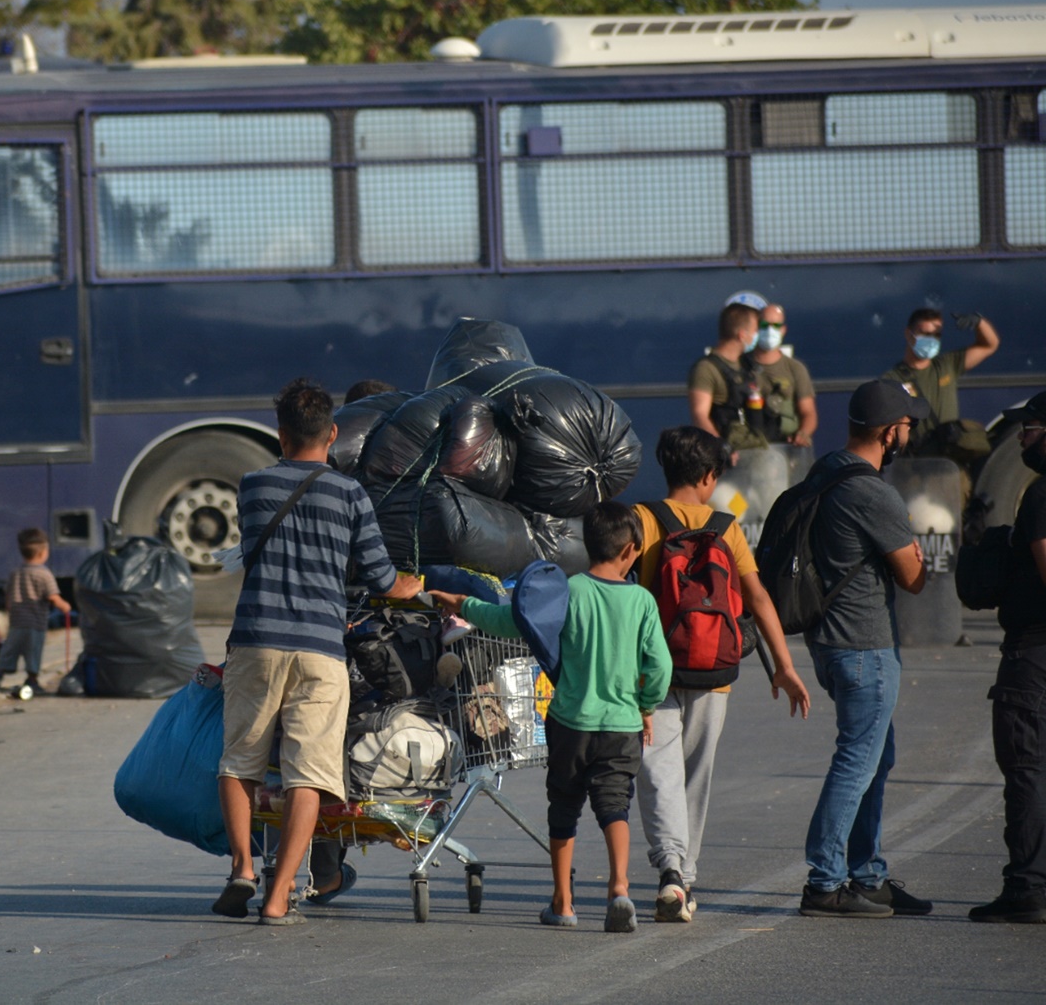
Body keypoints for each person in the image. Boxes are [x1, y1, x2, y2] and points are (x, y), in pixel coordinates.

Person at [214, 378, 422, 926]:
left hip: (256, 640)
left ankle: (242, 867)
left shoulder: (252, 485)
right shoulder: (350, 495)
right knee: (308, 774)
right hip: (319, 649)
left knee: (240, 764)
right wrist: (415, 584)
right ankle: (281, 894)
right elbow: (380, 577)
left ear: (280, 434)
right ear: (332, 434)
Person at [433, 501, 672, 933]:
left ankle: (562, 903)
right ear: (631, 549)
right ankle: (619, 887)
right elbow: (659, 666)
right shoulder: (641, 601)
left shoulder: (569, 591)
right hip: (621, 726)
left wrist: (464, 605)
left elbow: (513, 621)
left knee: (564, 807)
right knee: (614, 805)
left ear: (585, 545)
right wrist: (647, 706)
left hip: (569, 723)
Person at [633, 427, 811, 923]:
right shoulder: (726, 527)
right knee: (696, 774)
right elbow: (757, 598)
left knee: (657, 770)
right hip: (715, 670)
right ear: (710, 477)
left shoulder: (642, 520)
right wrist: (785, 668)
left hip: (654, 669)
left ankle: (669, 868)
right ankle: (684, 879)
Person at [797, 379, 933, 918]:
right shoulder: (873, 493)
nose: (909, 434)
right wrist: (914, 556)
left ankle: (867, 874)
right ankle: (826, 880)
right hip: (865, 646)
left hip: (830, 642)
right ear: (887, 432)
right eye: (906, 426)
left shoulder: (825, 472)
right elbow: (914, 578)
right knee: (858, 759)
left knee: (877, 755)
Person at [971, 391, 1046, 923]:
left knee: (1027, 769)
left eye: (1033, 427)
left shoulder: (1041, 495)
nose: (1022, 437)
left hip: (1034, 656)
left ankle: (1027, 888)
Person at [883, 307, 1000, 461]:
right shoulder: (892, 379)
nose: (931, 339)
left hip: (949, 461)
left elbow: (989, 344)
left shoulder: (946, 365)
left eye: (936, 334)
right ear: (908, 334)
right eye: (925, 333)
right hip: (915, 464)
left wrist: (979, 322)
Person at [0, 528, 71, 697]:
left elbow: (8, 596)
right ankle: (32, 679)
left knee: (10, 649)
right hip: (35, 623)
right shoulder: (44, 574)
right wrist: (65, 606)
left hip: (17, 622)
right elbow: (53, 596)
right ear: (42, 553)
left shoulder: (15, 573)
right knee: (33, 652)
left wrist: (11, 610)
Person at [688, 302, 767, 452]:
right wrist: (722, 448)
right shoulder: (706, 369)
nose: (757, 336)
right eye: (755, 330)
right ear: (742, 334)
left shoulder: (748, 367)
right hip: (726, 459)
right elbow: (699, 415)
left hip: (754, 452)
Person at [748, 302, 818, 449]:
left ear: (783, 330)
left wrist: (803, 433)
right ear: (756, 328)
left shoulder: (795, 368)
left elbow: (808, 412)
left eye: (776, 326)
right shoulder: (741, 365)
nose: (770, 330)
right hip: (749, 448)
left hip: (786, 448)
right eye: (764, 325)